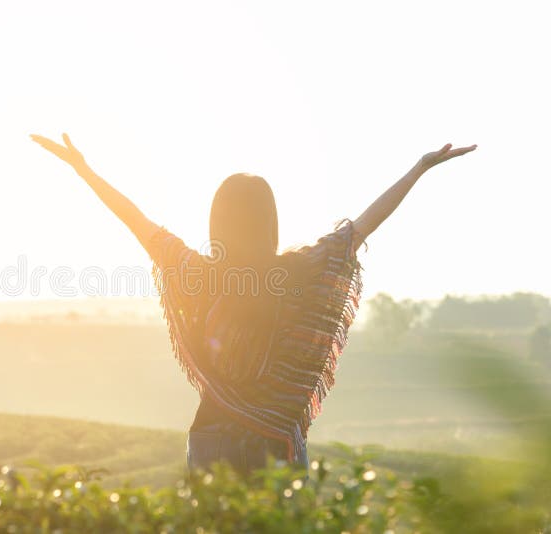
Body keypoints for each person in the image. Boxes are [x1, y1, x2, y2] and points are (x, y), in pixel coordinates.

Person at [31, 133, 476, 478]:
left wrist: (83, 170)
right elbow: (362, 227)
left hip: (211, 439)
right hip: (277, 441)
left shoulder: (197, 274)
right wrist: (418, 170)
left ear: (217, 222)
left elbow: (137, 222)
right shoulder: (301, 270)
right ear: (270, 222)